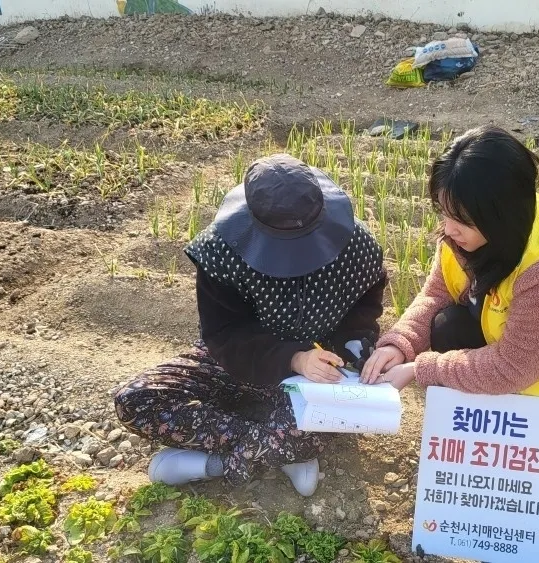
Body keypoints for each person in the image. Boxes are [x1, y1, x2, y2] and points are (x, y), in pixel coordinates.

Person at [361, 125, 539, 498]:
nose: (448, 228)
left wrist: (420, 368)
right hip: (529, 352)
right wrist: (399, 345)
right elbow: (437, 293)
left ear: (499, 211)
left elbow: (512, 368)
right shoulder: (476, 230)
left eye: (462, 218)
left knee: (518, 490)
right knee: (446, 325)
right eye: (443, 210)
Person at [115, 153, 387, 497]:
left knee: (332, 418)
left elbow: (362, 309)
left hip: (313, 378)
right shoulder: (222, 251)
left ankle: (207, 462)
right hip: (236, 363)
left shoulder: (356, 248)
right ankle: (282, 452)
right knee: (136, 400)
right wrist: (292, 357)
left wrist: (356, 346)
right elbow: (224, 334)